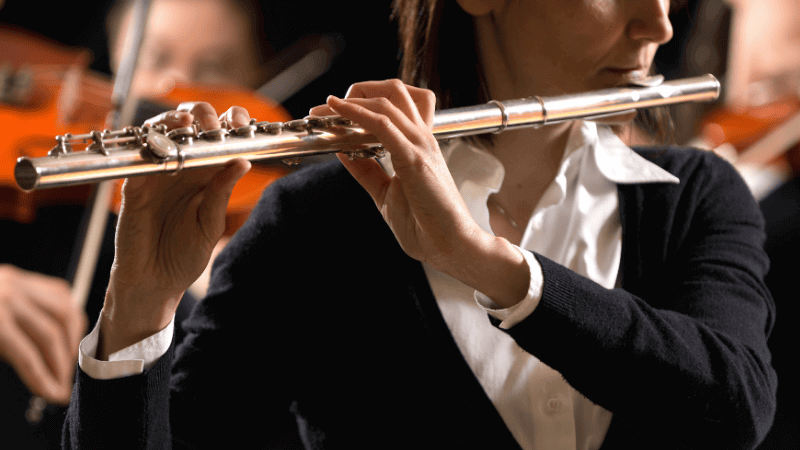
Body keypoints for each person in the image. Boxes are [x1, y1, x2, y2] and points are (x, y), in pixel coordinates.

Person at [64, 0, 777, 449]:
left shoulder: (695, 195)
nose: (658, 24)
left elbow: (733, 407)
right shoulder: (315, 224)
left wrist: (483, 262)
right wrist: (139, 310)